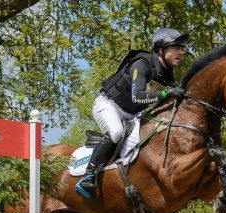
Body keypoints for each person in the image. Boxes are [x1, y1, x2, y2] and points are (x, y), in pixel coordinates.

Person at [75, 28, 189, 198]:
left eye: (182, 48)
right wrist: (166, 93)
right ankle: (88, 175)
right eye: (176, 47)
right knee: (116, 131)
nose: (181, 52)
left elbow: (175, 92)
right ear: (161, 49)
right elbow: (137, 97)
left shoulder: (166, 72)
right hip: (109, 106)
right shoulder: (142, 64)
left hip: (131, 115)